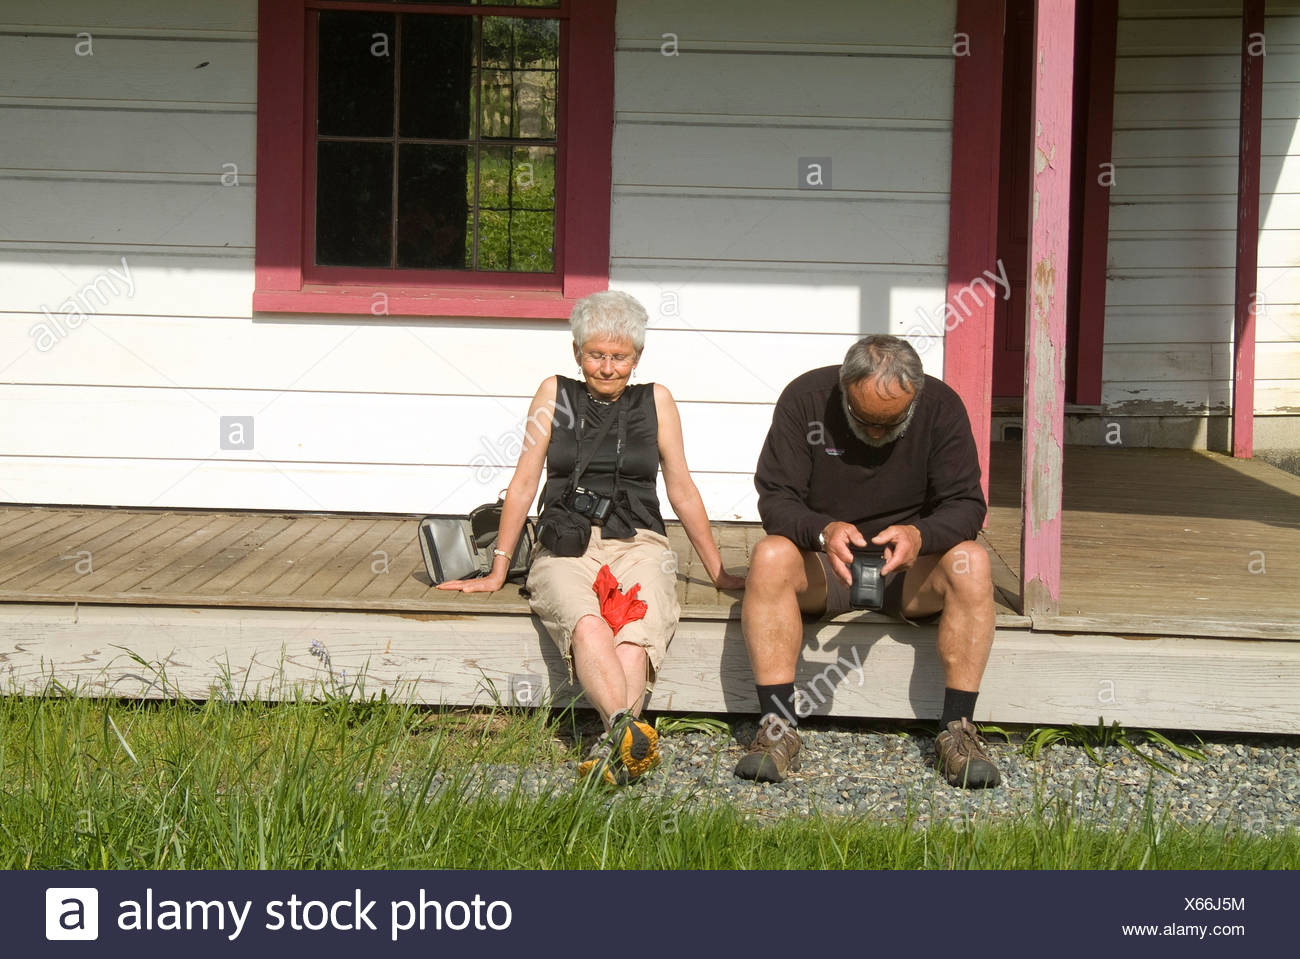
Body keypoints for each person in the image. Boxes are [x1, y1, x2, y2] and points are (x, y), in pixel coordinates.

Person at [439, 290, 744, 785]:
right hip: (565, 540)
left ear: (637, 357)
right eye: (595, 355)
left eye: (618, 357)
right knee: (585, 622)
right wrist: (498, 568)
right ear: (577, 353)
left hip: (640, 540)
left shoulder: (657, 401)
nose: (606, 367)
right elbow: (523, 482)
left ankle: (612, 744)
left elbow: (682, 490)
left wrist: (718, 570)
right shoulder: (553, 394)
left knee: (638, 629)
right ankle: (628, 735)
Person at [735, 334, 1000, 788]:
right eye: (864, 420)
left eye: (891, 423)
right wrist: (823, 530)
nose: (876, 433)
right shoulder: (806, 399)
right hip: (826, 562)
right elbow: (776, 498)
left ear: (914, 397)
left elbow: (967, 505)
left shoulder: (942, 407)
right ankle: (776, 728)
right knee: (770, 555)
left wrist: (922, 535)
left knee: (971, 562)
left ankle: (959, 731)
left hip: (908, 569)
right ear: (842, 389)